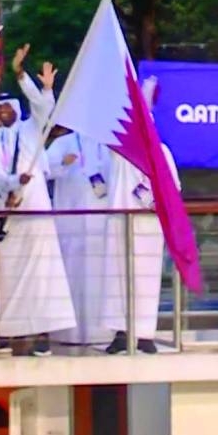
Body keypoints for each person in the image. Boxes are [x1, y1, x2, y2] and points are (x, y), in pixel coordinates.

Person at [0, 45, 76, 354]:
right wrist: (10, 183)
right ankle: (14, 333)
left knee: (42, 274)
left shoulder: (30, 131)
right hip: (5, 215)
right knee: (8, 275)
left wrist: (22, 74)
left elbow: (43, 107)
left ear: (16, 112)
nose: (4, 112)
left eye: (9, 108)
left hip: (34, 209)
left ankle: (42, 333)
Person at [102, 76, 181, 355]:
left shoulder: (163, 153)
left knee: (146, 278)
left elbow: (173, 189)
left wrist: (150, 196)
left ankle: (145, 333)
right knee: (118, 276)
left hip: (148, 225)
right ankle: (121, 333)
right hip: (120, 221)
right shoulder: (119, 152)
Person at [47, 128, 113, 345]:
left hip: (101, 225)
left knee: (100, 276)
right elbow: (44, 169)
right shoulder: (63, 142)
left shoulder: (110, 143)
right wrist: (63, 163)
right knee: (71, 275)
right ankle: (69, 334)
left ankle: (103, 333)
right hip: (70, 225)